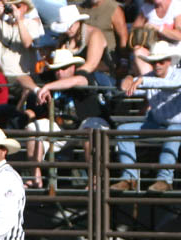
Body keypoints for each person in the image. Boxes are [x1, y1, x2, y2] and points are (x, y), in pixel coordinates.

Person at [22, 48, 110, 188]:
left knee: (92, 129)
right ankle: (35, 177)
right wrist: (37, 89)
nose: (60, 72)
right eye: (57, 69)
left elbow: (77, 81)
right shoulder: (50, 76)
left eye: (63, 68)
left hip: (86, 124)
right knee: (33, 128)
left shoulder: (84, 74)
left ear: (73, 67)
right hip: (61, 130)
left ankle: (95, 180)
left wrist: (48, 87)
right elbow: (22, 78)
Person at [109, 41, 181, 194]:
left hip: (177, 124)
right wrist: (129, 78)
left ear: (169, 61)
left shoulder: (177, 75)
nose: (157, 65)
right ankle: (129, 177)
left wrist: (141, 80)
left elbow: (173, 85)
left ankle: (165, 179)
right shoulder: (147, 77)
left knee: (172, 134)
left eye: (161, 61)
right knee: (123, 131)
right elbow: (127, 90)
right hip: (158, 123)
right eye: (154, 62)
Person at [0, 0, 43, 94]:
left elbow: (27, 43)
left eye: (17, 6)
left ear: (25, 7)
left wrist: (19, 20)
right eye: (10, 5)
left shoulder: (32, 24)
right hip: (2, 75)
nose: (13, 8)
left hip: (23, 76)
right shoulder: (1, 24)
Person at [51, 4, 111, 86]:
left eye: (70, 25)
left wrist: (70, 78)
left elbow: (91, 65)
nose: (68, 30)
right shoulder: (63, 38)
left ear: (78, 22)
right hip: (70, 78)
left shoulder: (94, 34)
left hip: (98, 78)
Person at [129, 0, 181, 75]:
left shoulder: (176, 5)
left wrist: (159, 28)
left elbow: (179, 35)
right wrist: (145, 30)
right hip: (153, 51)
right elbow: (133, 31)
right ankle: (151, 83)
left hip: (172, 52)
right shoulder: (147, 8)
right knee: (138, 51)